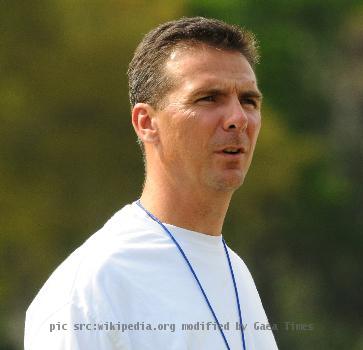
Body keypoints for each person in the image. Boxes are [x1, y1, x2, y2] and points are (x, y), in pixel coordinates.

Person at [25, 17, 278, 349]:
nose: (238, 119)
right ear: (146, 123)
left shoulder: (236, 273)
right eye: (208, 98)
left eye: (248, 101)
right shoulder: (93, 287)